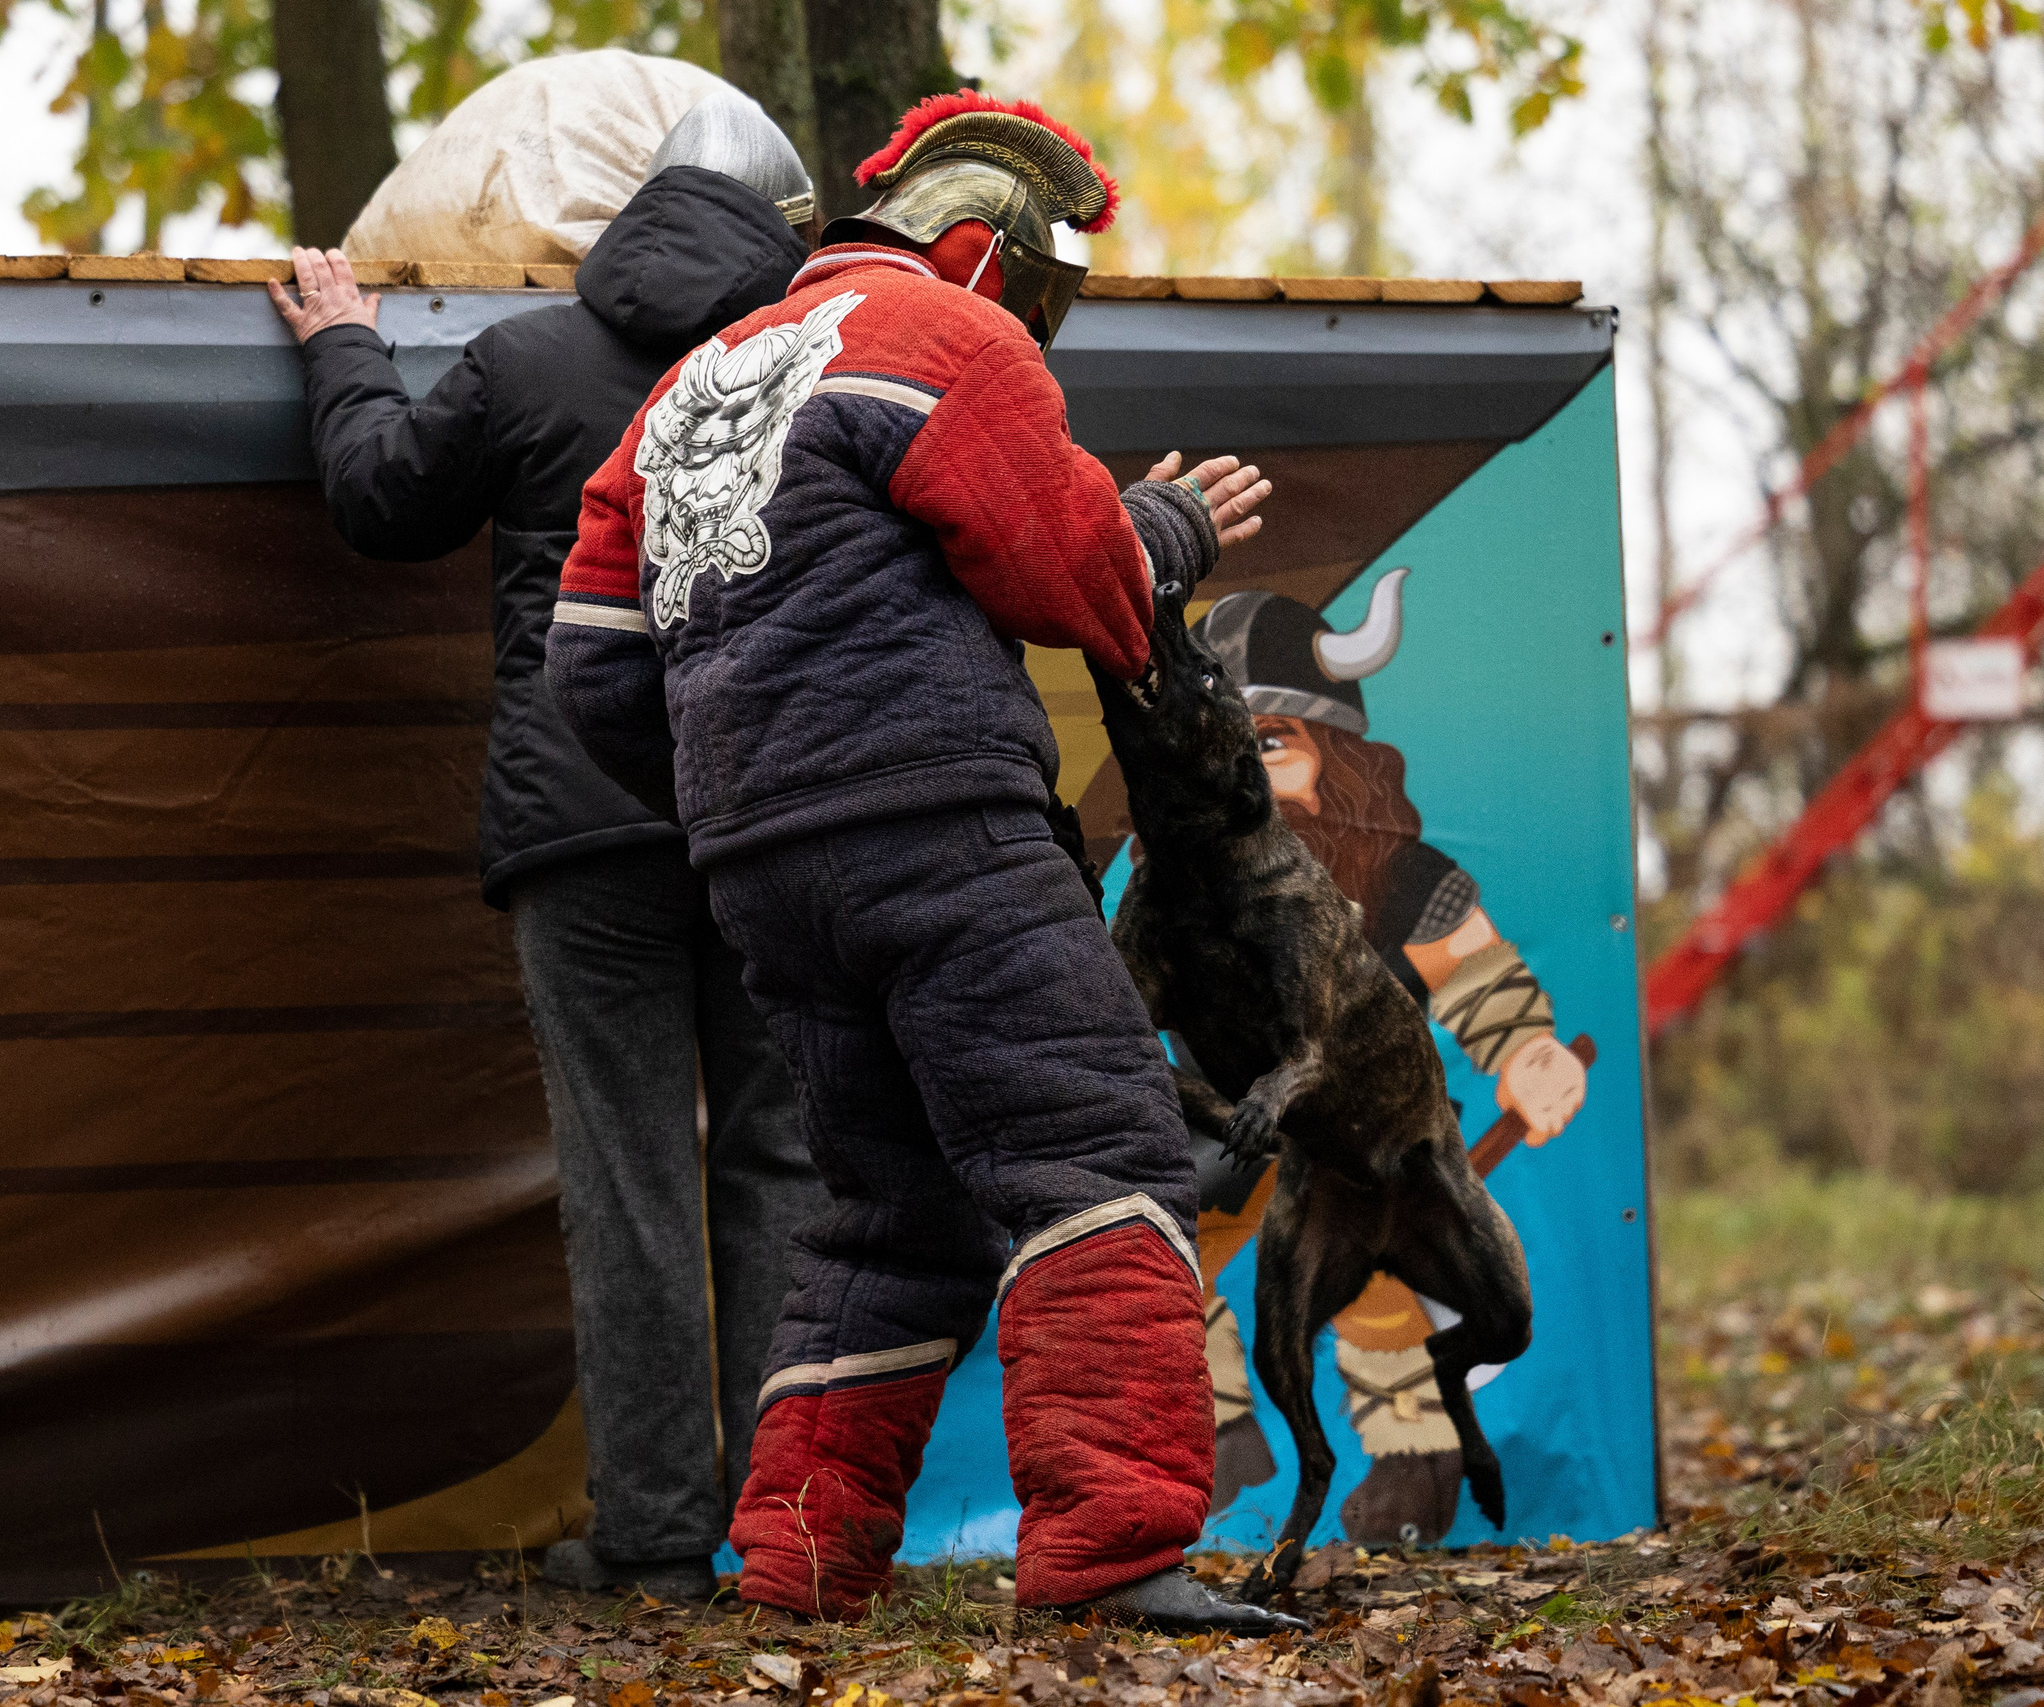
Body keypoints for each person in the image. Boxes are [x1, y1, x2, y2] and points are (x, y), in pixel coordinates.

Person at [545, 91, 1294, 1630]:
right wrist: (1160, 523)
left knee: (889, 1216)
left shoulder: (682, 392)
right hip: (937, 823)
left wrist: (734, 794)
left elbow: (593, 664)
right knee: (1095, 1150)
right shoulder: (945, 339)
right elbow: (1070, 577)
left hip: (761, 866)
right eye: (1038, 284)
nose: (1037, 315)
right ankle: (1112, 1548)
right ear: (986, 244)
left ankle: (800, 1560)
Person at [266, 91, 831, 1603]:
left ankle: (651, 1535)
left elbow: (383, 501)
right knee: (782, 1162)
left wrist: (343, 345)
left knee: (631, 1173)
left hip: (582, 823)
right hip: (766, 817)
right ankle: (797, 1533)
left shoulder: (525, 359)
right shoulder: (802, 381)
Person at [1182, 576, 1587, 1546]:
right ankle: (1212, 1441)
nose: (1244, 771)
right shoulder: (1180, 882)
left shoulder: (1398, 876)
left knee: (1379, 1285)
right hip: (1228, 1122)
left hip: (1370, 1126)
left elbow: (1479, 979)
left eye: (1270, 742)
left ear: (1339, 759)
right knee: (1151, 1252)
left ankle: (1412, 1461)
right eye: (1225, 745)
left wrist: (1528, 1051)